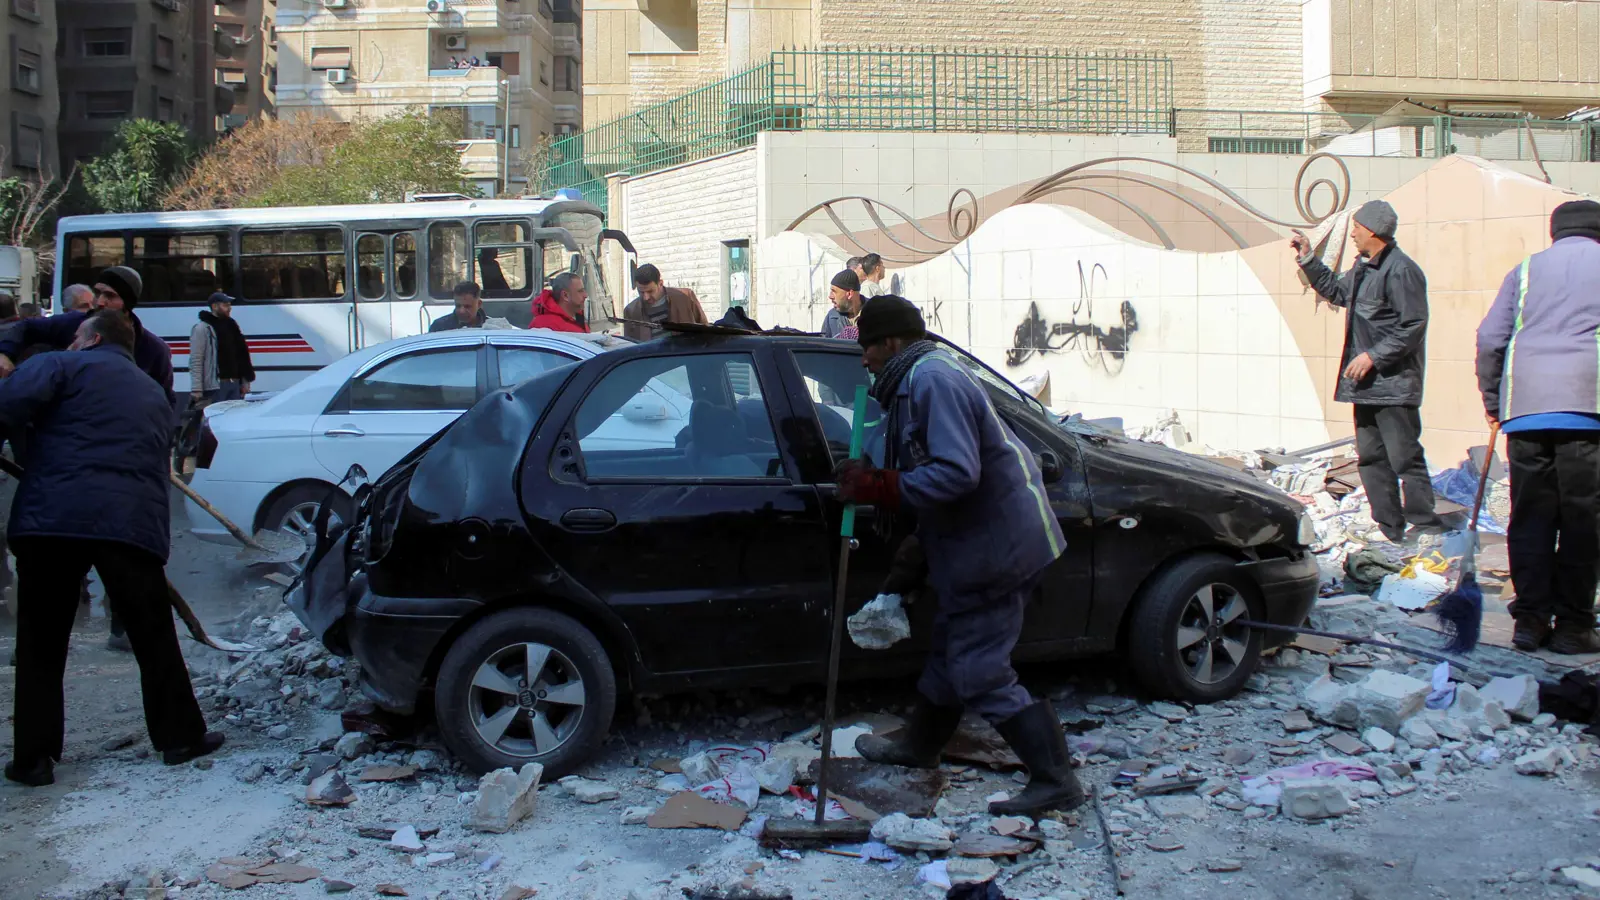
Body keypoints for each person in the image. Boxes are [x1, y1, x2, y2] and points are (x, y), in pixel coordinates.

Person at [841, 295, 1078, 817]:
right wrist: (915, 546)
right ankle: (920, 746)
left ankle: (1054, 779)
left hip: (998, 543)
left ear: (892, 343)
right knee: (951, 648)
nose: (864, 360)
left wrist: (881, 486)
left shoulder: (933, 381)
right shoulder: (911, 383)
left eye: (867, 348)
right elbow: (930, 468)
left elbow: (955, 473)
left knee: (978, 667)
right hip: (973, 538)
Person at [0, 312, 224, 786]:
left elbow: (9, 403)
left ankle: (34, 761)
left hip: (53, 521)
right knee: (153, 636)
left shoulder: (63, 365)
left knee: (41, 642)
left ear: (92, 338)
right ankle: (182, 737)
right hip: (130, 525)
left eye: (78, 338)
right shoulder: (154, 393)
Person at [1477, 200, 1600, 654]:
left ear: (1555, 233)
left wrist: (1494, 401)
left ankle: (1529, 622)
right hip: (1588, 412)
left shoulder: (1526, 270)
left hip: (1525, 411)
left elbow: (1491, 338)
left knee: (1530, 517)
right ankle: (1572, 627)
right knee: (1583, 519)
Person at [1292, 200, 1443, 544]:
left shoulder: (1402, 270)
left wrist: (1373, 357)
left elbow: (1413, 325)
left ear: (1373, 231)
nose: (1354, 233)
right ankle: (1389, 528)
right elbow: (1335, 291)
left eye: (1357, 227)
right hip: (1366, 385)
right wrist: (1307, 259)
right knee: (1372, 457)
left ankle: (1425, 524)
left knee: (1404, 456)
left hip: (1395, 383)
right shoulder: (1362, 268)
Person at [0, 267, 175, 408]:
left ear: (128, 302)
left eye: (110, 296)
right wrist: (5, 353)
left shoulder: (153, 349)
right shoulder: (73, 323)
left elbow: (166, 403)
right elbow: (27, 327)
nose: (99, 302)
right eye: (98, 293)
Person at [189, 292, 255, 408]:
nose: (229, 308)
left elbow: (242, 355)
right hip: (216, 385)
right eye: (225, 305)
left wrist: (245, 381)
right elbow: (196, 359)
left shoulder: (232, 326)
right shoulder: (203, 328)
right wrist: (197, 388)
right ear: (214, 306)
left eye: (229, 305)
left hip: (234, 383)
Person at [622, 264, 708, 342]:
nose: (646, 297)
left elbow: (705, 330)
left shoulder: (686, 297)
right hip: (651, 358)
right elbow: (630, 346)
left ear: (660, 283)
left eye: (650, 291)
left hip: (686, 356)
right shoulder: (631, 311)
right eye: (641, 292)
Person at [822, 269, 862, 338]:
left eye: (834, 291)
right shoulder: (832, 316)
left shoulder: (874, 313)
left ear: (849, 294)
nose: (830, 296)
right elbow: (823, 345)